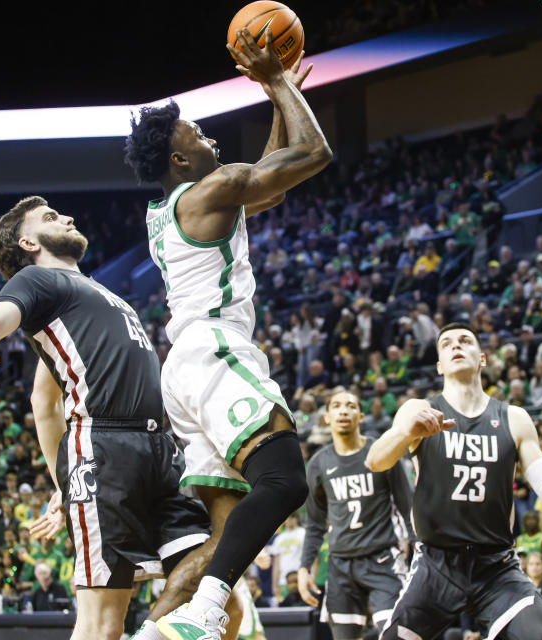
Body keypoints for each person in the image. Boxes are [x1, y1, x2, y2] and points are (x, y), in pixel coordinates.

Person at [0, 200, 239, 640]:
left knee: (219, 600)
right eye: (49, 218)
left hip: (160, 449)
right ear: (28, 242)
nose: (67, 217)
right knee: (102, 624)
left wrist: (58, 485)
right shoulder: (37, 280)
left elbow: (43, 402)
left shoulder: (90, 292)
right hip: (103, 448)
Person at [125, 28, 331, 640]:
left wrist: (280, 95)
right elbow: (313, 154)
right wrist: (275, 81)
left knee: (222, 541)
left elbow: (269, 177)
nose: (206, 134)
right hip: (215, 350)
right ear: (180, 159)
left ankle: (153, 633)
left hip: (184, 368)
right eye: (195, 132)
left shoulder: (179, 205)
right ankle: (207, 615)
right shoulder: (210, 189)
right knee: (286, 479)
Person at [366, 322, 542, 640]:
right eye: (446, 344)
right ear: (440, 366)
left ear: (482, 358)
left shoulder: (514, 417)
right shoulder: (420, 409)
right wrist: (405, 433)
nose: (456, 346)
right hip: (436, 564)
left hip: (496, 565)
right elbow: (376, 461)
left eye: (465, 341)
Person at [298, 391, 413, 640]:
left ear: (360, 416)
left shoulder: (381, 451)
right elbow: (315, 524)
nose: (343, 411)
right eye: (336, 406)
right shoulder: (318, 464)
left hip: (384, 560)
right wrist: (305, 567)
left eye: (350, 406)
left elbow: (408, 506)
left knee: (396, 634)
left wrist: (422, 552)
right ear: (326, 417)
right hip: (340, 565)